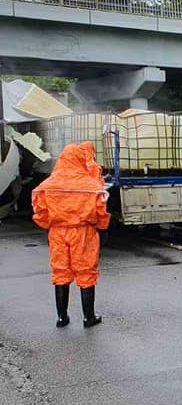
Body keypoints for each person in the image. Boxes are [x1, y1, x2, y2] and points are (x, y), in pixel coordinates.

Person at [31, 141, 110, 329]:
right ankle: (88, 317)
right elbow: (101, 212)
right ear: (80, 160)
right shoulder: (91, 185)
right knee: (86, 272)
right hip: (83, 232)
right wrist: (102, 229)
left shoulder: (47, 185)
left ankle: (62, 317)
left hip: (58, 233)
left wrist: (50, 226)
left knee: (60, 272)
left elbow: (40, 212)